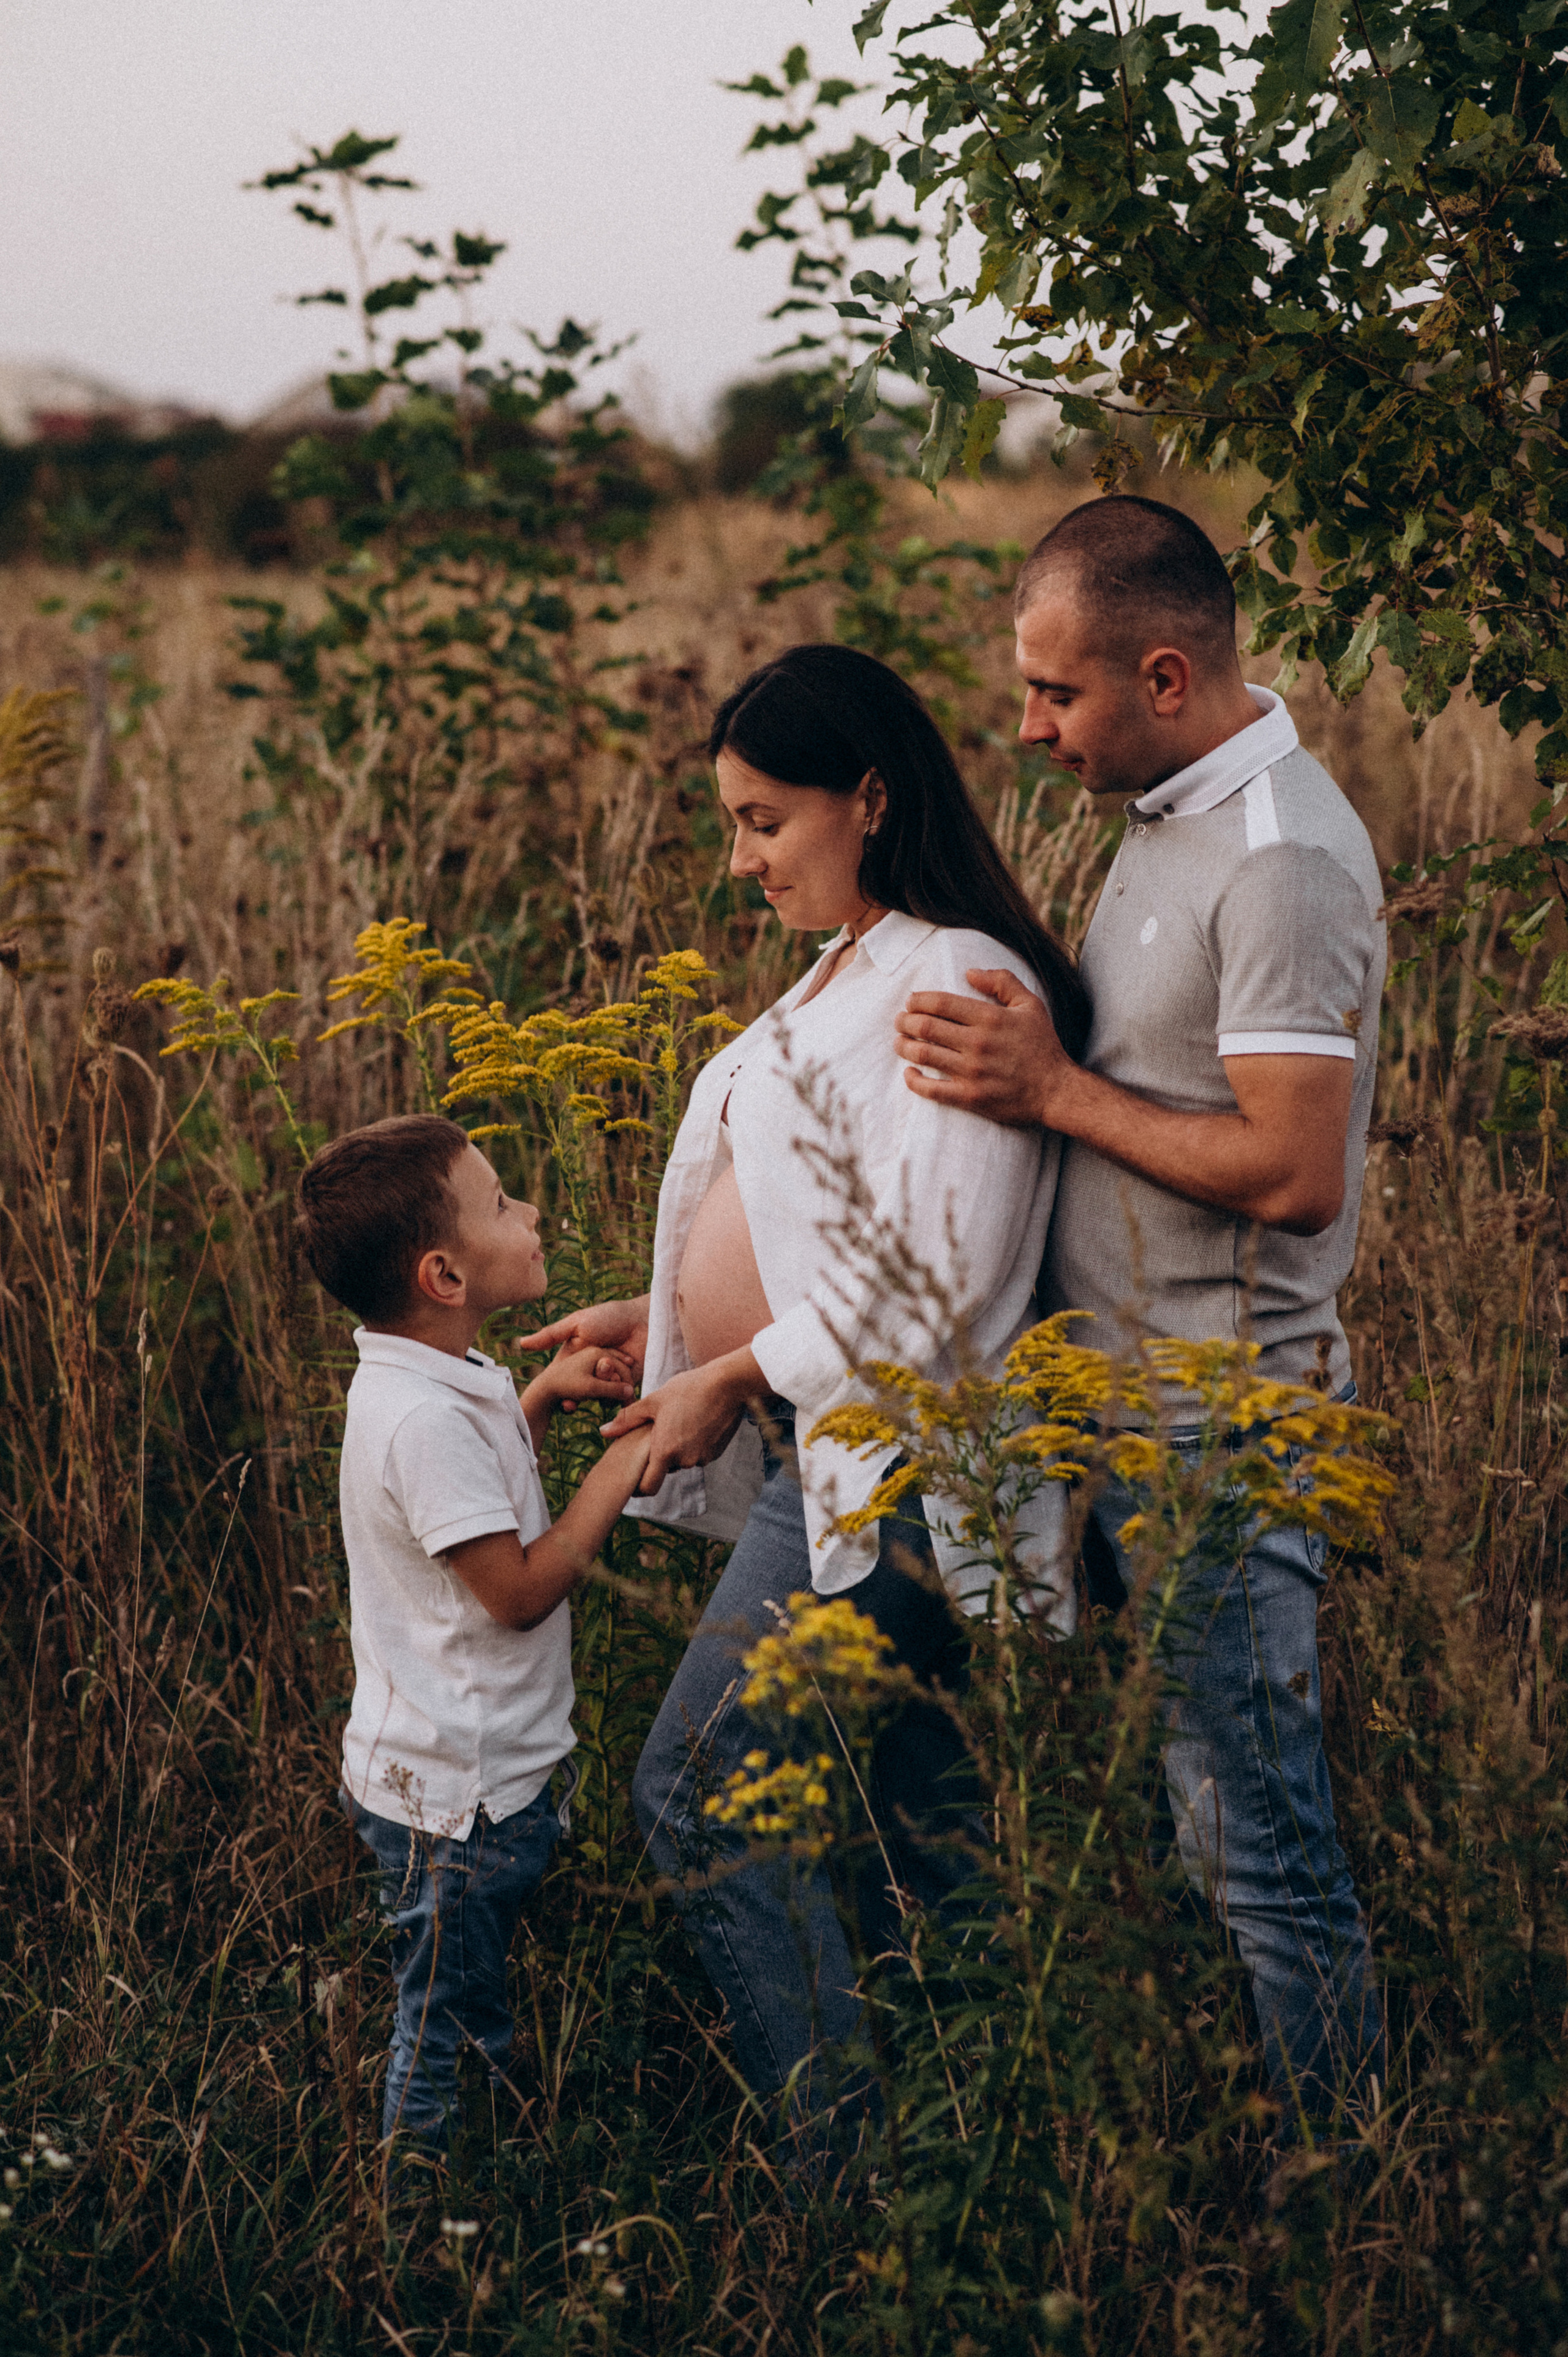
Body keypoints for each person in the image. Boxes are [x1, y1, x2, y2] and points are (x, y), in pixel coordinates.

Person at [529, 643, 1090, 2116]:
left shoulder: (956, 977)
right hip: (824, 1450)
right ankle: (1005, 2165)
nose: (741, 861)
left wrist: (725, 1370)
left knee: (696, 1786)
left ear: (871, 795)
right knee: (927, 1836)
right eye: (732, 822)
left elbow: (944, 1271)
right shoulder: (852, 962)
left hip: (900, 1469)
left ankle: (841, 2178)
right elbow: (809, 1226)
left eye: (764, 821)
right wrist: (652, 1329)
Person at [891, 494, 1387, 2141]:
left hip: (1223, 1427)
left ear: (1164, 676)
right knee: (1198, 1820)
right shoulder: (1171, 811)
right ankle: (1255, 2140)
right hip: (1120, 1418)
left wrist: (1052, 1091)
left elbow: (1295, 1173)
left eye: (1058, 697)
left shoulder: (1284, 859)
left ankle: (1353, 2205)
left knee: (1264, 1852)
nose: (1031, 731)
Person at [296, 1114, 650, 2162]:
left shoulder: (444, 1378)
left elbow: (481, 1510)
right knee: (446, 2024)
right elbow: (516, 1588)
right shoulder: (423, 1420)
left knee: (466, 1993)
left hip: (464, 1774)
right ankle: (420, 2223)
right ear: (445, 1275)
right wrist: (619, 1470)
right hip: (455, 1800)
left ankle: (479, 2168)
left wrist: (537, 1401)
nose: (531, 1212)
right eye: (502, 1204)